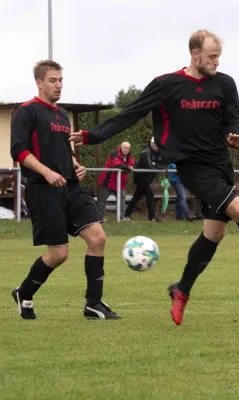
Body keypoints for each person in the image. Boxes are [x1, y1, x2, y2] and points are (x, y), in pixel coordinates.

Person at [70, 29, 239, 326]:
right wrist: (93, 135)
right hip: (190, 166)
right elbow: (132, 113)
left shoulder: (225, 84)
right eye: (212, 56)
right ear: (195, 54)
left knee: (214, 233)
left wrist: (236, 136)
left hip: (219, 163)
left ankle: (181, 291)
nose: (217, 61)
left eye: (219, 56)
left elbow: (234, 117)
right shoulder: (167, 85)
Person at [10, 60, 120, 320]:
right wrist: (46, 171)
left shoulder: (62, 114)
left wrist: (76, 165)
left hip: (71, 187)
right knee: (58, 254)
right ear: (39, 82)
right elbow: (19, 151)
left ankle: (93, 304)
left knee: (98, 238)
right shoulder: (26, 111)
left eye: (60, 80)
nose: (58, 85)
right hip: (43, 189)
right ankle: (24, 292)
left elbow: (65, 150)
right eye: (52, 80)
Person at [124, 137, 162, 222]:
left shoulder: (158, 152)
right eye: (154, 143)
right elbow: (148, 165)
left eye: (157, 143)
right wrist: (156, 165)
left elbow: (162, 164)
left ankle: (127, 214)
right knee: (150, 195)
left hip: (146, 178)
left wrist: (155, 164)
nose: (155, 145)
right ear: (151, 143)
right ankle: (151, 217)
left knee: (137, 197)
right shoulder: (146, 152)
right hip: (141, 178)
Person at [97, 141, 134, 220]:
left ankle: (121, 217)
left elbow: (132, 165)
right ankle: (100, 217)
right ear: (120, 147)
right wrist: (127, 167)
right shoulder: (113, 154)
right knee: (101, 200)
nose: (126, 150)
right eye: (125, 148)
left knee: (122, 200)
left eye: (128, 148)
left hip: (120, 183)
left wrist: (127, 167)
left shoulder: (130, 156)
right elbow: (116, 165)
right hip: (107, 181)